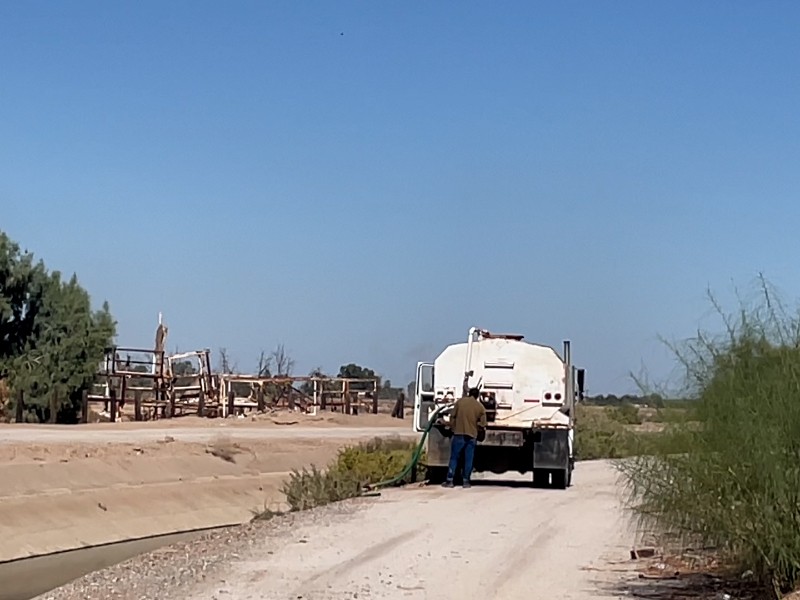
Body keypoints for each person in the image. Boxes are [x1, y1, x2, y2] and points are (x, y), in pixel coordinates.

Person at [443, 387, 487, 488]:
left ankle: (449, 481)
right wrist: (476, 426)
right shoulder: (480, 407)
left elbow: (452, 416)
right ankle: (466, 481)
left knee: (454, 458)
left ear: (469, 393)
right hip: (472, 436)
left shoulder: (459, 402)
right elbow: (483, 424)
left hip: (458, 434)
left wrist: (453, 427)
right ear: (477, 396)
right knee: (469, 459)